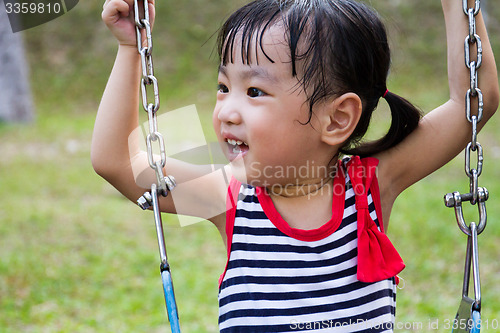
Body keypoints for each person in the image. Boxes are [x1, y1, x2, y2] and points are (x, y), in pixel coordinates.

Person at [93, 0, 499, 331]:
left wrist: (458, 5)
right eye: (222, 87)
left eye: (254, 91)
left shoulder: (371, 185)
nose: (226, 112)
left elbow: (473, 103)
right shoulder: (228, 192)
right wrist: (131, 48)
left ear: (337, 119)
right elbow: (118, 162)